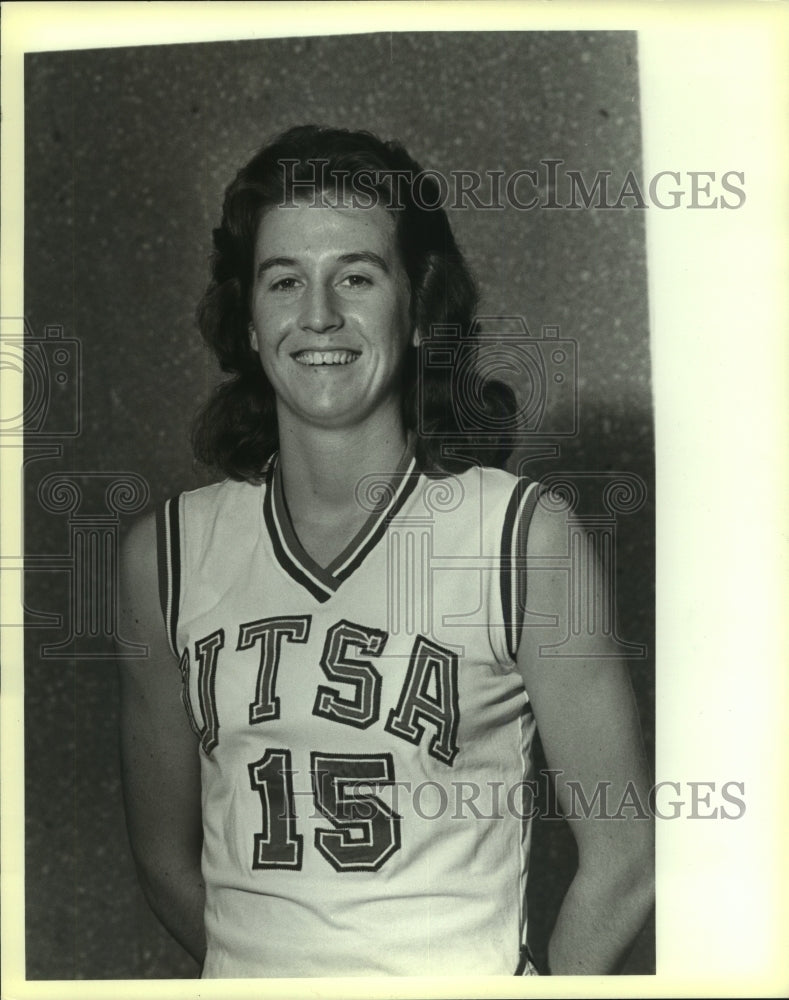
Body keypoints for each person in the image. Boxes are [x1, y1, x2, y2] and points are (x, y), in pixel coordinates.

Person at [118, 124, 654, 978]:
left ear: (416, 308)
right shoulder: (166, 557)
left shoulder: (520, 537)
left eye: (356, 277)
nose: (318, 314)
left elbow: (625, 864)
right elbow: (165, 862)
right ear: (249, 321)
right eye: (284, 280)